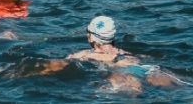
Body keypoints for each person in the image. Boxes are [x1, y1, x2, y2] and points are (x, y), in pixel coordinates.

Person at [36, 16, 180, 91]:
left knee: (132, 94)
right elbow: (142, 59)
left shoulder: (84, 55)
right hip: (148, 69)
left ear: (91, 37)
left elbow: (64, 62)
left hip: (122, 74)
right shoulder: (124, 52)